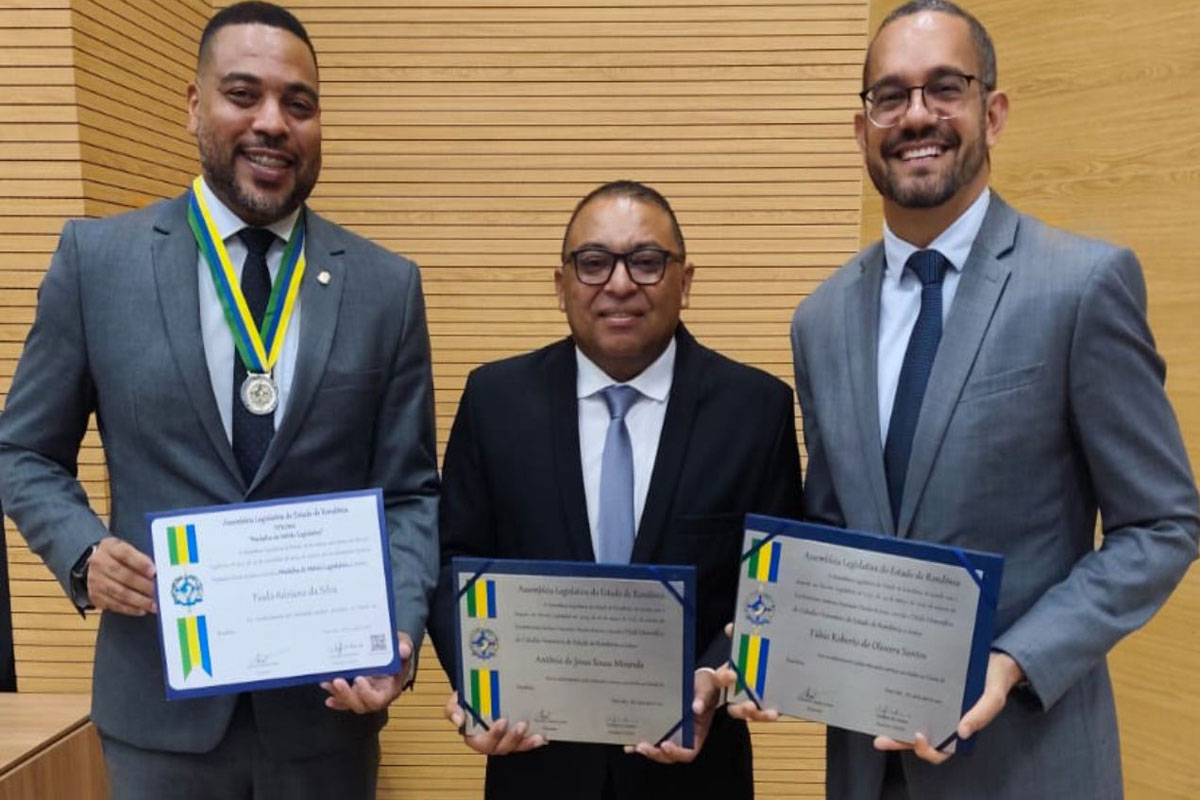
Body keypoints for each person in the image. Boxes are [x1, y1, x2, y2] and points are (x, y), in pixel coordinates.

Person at [759, 2, 1199, 798]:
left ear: (992, 113)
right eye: (890, 96)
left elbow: (1163, 525)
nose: (915, 116)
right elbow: (833, 530)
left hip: (1028, 763)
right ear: (861, 129)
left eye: (944, 88)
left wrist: (1015, 659)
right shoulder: (818, 321)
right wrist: (767, 643)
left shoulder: (1080, 286)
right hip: (867, 769)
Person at [0, 2, 439, 797]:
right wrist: (83, 551)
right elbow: (23, 450)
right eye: (243, 94)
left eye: (298, 104)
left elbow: (409, 494)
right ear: (194, 104)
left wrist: (399, 633)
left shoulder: (386, 287)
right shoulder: (98, 264)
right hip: (157, 714)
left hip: (325, 720)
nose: (272, 122)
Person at [426, 180, 804, 800]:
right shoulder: (495, 401)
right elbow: (452, 558)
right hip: (534, 763)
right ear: (561, 285)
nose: (620, 284)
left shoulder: (755, 410)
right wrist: (478, 678)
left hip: (694, 773)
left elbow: (772, 579)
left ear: (685, 281)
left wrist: (715, 677)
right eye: (594, 262)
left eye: (647, 261)